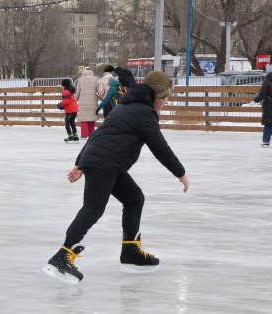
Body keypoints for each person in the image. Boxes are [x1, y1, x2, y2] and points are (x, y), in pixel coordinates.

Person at [44, 71, 188, 283]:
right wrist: (181, 173)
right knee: (93, 208)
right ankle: (62, 256)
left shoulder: (127, 107)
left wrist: (80, 163)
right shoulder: (144, 114)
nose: (167, 101)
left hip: (107, 164)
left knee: (134, 198)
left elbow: (97, 135)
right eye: (165, 96)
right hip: (105, 165)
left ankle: (131, 250)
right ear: (156, 95)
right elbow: (159, 147)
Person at [250, 64, 272, 147]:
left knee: (268, 122)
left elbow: (262, 94)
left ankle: (266, 141)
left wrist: (255, 101)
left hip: (269, 103)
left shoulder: (267, 81)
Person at [76, 66, 101, 139]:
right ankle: (91, 134)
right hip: (93, 100)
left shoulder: (80, 80)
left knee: (84, 119)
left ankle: (84, 134)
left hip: (82, 101)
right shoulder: (95, 79)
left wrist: (75, 100)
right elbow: (98, 90)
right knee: (92, 118)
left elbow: (78, 92)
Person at [59, 78, 79, 142]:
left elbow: (66, 102)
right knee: (72, 122)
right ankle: (75, 135)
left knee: (66, 122)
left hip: (70, 110)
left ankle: (70, 136)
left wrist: (60, 105)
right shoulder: (70, 90)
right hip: (74, 109)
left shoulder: (65, 92)